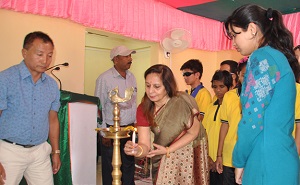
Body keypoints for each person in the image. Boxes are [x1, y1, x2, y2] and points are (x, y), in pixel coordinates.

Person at [224, 4, 300, 185]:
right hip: (280, 157)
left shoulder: (262, 57)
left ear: (251, 29)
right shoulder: (277, 57)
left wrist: (239, 160)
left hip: (266, 160)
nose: (233, 42)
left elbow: (252, 119)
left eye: (235, 35)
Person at [124, 64, 209, 185]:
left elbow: (194, 132)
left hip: (185, 154)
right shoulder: (143, 108)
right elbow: (145, 144)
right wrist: (137, 150)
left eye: (157, 86)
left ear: (167, 86)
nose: (151, 91)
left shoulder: (180, 103)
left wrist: (168, 150)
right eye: (148, 86)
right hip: (160, 157)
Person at [0, 31, 61, 185]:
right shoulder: (6, 79)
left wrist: (56, 151)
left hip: (39, 151)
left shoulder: (52, 85)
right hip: (9, 150)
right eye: (40, 54)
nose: (45, 60)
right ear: (24, 53)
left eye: (49, 55)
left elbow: (53, 120)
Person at [95, 45, 137, 185]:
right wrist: (102, 133)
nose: (130, 59)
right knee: (110, 167)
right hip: (111, 131)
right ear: (115, 60)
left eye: (130, 56)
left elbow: (133, 102)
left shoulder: (132, 77)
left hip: (129, 129)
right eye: (126, 56)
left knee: (129, 165)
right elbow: (98, 106)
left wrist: (135, 124)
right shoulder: (104, 78)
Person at [215, 57, 247, 185]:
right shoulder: (229, 96)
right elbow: (224, 126)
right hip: (230, 155)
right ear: (238, 75)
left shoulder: (261, 98)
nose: (248, 79)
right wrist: (219, 155)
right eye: (244, 75)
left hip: (249, 156)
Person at [202, 70, 233, 185]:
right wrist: (208, 157)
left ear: (230, 87)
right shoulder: (210, 107)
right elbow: (204, 132)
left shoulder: (233, 107)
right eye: (215, 87)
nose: (218, 90)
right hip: (209, 159)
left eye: (222, 86)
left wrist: (219, 158)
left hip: (225, 160)